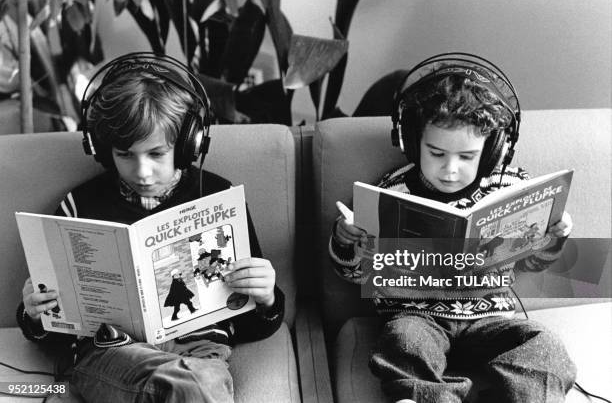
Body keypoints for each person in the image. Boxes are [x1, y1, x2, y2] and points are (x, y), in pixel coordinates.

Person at [17, 53, 284, 403]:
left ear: (189, 144)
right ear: (100, 149)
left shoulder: (220, 198)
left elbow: (251, 324)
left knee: (200, 380)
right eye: (125, 154)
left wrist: (265, 299)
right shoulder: (78, 206)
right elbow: (54, 334)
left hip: (200, 354)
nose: (142, 172)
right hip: (110, 352)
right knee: (197, 388)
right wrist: (35, 315)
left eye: (157, 154)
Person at [329, 53, 575, 403]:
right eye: (436, 152)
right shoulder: (391, 191)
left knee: (544, 346)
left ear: (491, 152)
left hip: (490, 318)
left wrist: (553, 237)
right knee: (403, 341)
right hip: (418, 316)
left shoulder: (511, 189)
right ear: (411, 142)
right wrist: (347, 240)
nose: (450, 170)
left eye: (466, 157)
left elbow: (532, 265)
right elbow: (355, 274)